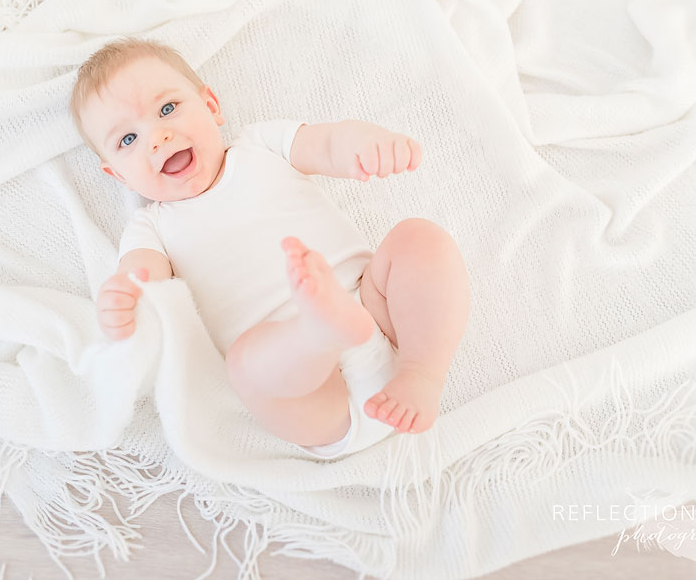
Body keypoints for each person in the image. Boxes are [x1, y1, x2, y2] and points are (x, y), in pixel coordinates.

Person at [69, 36, 471, 458]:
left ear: (211, 106)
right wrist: (126, 295)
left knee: (419, 238)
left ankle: (421, 373)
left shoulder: (260, 145)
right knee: (246, 364)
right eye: (128, 140)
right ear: (117, 175)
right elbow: (143, 273)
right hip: (313, 392)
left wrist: (368, 144)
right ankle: (319, 328)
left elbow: (328, 143)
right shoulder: (151, 226)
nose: (157, 137)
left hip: (379, 314)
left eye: (167, 109)